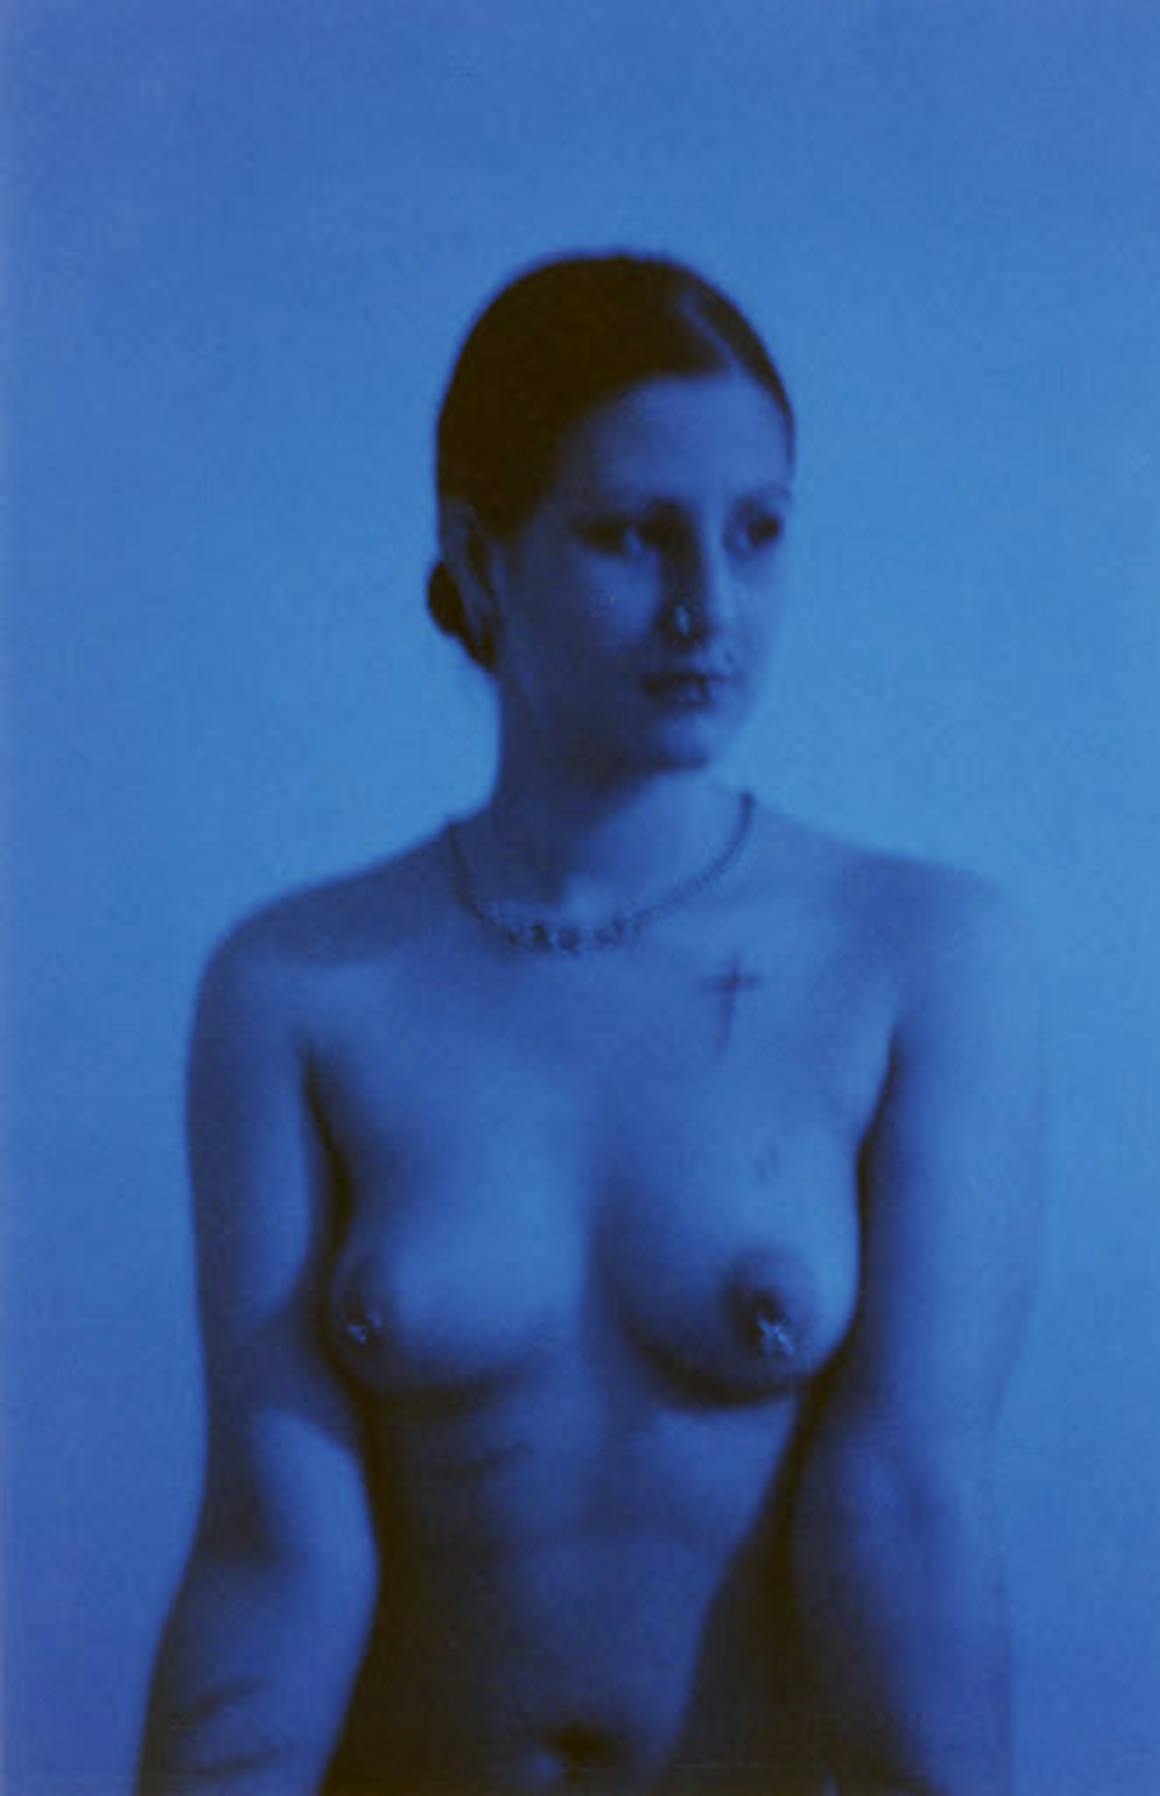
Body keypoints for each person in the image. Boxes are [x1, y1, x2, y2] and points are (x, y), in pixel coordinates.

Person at [137, 252, 1043, 1796]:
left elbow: (905, 1511)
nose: (709, 607)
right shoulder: (299, 987)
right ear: (478, 558)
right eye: (634, 534)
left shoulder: (914, 958)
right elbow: (275, 1549)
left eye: (757, 533)